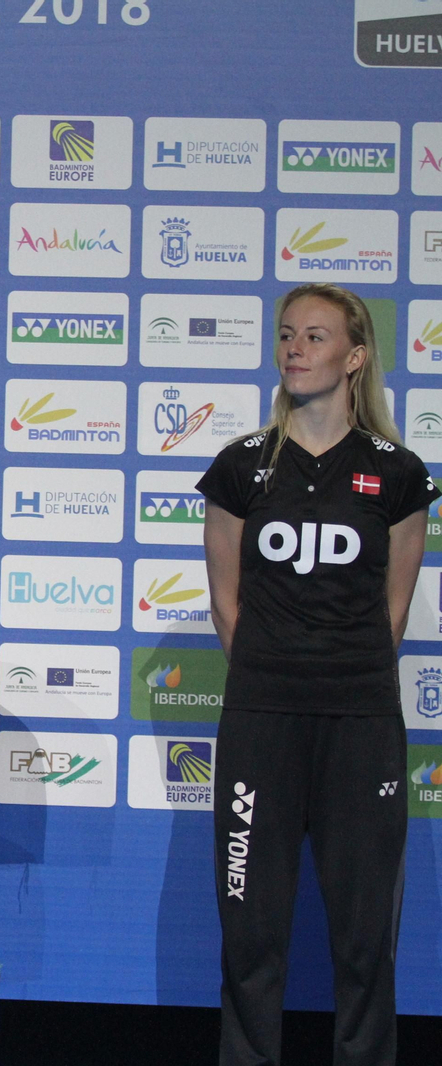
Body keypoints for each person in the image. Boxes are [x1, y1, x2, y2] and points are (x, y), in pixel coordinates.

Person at [199, 283, 434, 1066]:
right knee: (251, 938)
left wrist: (337, 678)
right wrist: (277, 677)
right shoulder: (239, 469)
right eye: (288, 334)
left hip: (361, 726)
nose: (295, 347)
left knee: (366, 943)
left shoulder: (398, 474)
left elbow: (392, 615)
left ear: (355, 357)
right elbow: (225, 604)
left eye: (316, 336)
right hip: (261, 722)